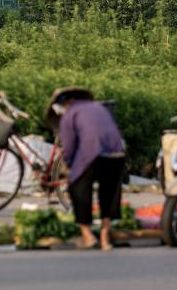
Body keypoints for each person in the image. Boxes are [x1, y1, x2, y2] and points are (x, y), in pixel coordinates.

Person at [46, 87, 125, 251]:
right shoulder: (98, 107)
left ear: (64, 104)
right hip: (117, 154)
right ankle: (105, 237)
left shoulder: (69, 114)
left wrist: (69, 166)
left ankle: (88, 236)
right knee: (109, 194)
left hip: (93, 153)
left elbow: (69, 146)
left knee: (78, 189)